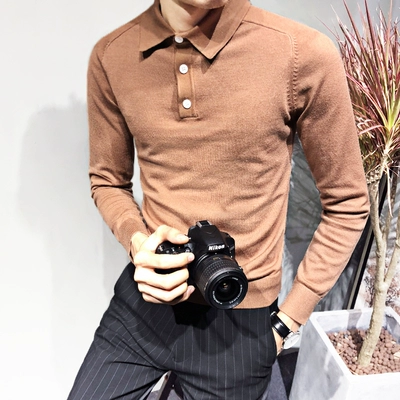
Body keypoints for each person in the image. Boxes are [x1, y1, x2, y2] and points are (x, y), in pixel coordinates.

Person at [68, 0, 370, 399]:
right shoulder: (113, 55)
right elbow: (108, 181)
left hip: (241, 320)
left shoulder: (301, 53)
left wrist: (286, 322)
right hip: (143, 308)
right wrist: (138, 242)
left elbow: (348, 203)